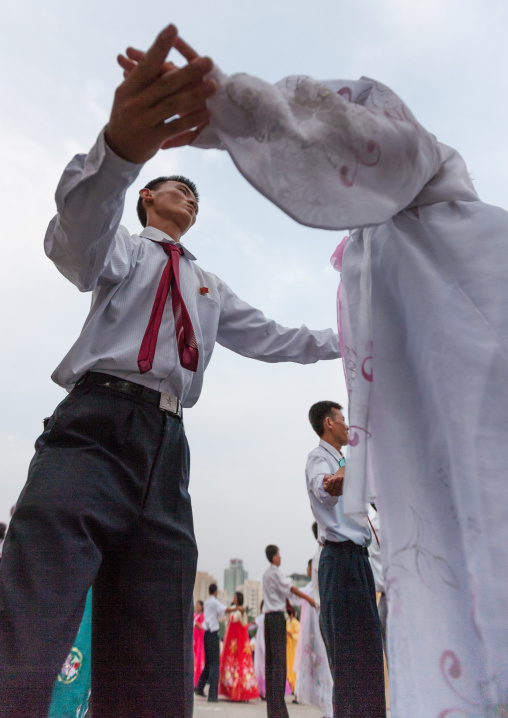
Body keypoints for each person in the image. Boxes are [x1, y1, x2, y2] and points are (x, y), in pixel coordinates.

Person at [0, 27, 341, 718]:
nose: (189, 195)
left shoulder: (207, 284)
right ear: (147, 198)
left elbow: (279, 337)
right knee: (31, 624)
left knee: (155, 660)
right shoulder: (123, 250)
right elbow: (74, 239)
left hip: (168, 448)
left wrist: (357, 338)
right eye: (175, 186)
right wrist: (121, 151)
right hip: (93, 428)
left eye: (196, 193)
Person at [306, 401, 385, 718]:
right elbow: (325, 488)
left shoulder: (345, 460)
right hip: (338, 561)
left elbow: (376, 501)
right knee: (349, 655)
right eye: (343, 419)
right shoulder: (319, 459)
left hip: (359, 562)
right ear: (329, 423)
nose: (348, 426)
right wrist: (343, 471)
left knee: (368, 650)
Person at [262, 544, 315, 718]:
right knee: (279, 663)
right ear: (274, 557)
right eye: (279, 554)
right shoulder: (276, 573)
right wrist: (309, 599)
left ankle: (273, 710)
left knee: (271, 663)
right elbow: (290, 588)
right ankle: (279, 710)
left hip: (267, 619)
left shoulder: (265, 575)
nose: (280, 557)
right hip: (277, 619)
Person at [293, 560, 333, 718]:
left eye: (309, 567)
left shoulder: (317, 588)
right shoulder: (310, 588)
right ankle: (326, 710)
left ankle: (330, 710)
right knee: (320, 671)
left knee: (326, 671)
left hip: (321, 632)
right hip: (313, 636)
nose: (307, 569)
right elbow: (297, 596)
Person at [195, 584, 244, 702]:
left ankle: (200, 688)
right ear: (216, 592)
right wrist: (238, 608)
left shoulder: (206, 602)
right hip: (212, 635)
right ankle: (212, 695)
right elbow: (225, 610)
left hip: (206, 634)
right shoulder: (214, 602)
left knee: (208, 664)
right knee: (214, 665)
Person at [219, 591, 259, 701]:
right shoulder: (233, 608)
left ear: (239, 598)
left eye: (235, 597)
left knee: (241, 664)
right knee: (231, 664)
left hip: (240, 641)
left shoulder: (241, 610)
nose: (234, 598)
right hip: (231, 642)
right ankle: (231, 692)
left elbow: (243, 622)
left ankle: (243, 693)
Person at [285, 602, 299, 695]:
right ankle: (292, 687)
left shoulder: (295, 623)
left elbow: (298, 635)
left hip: (294, 647)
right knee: (289, 666)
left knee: (294, 666)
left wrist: (291, 634)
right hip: (288, 648)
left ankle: (296, 687)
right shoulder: (287, 622)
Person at [254, 601, 266, 699]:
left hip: (261, 644)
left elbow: (252, 624)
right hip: (264, 643)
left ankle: (262, 690)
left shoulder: (262, 617)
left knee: (260, 667)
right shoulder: (266, 617)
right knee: (263, 667)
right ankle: (264, 691)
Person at [193, 600, 205, 687]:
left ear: (201, 607)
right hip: (193, 640)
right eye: (196, 605)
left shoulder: (202, 616)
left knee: (198, 661)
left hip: (199, 641)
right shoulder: (194, 615)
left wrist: (196, 624)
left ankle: (196, 682)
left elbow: (202, 627)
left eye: (198, 605)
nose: (196, 607)